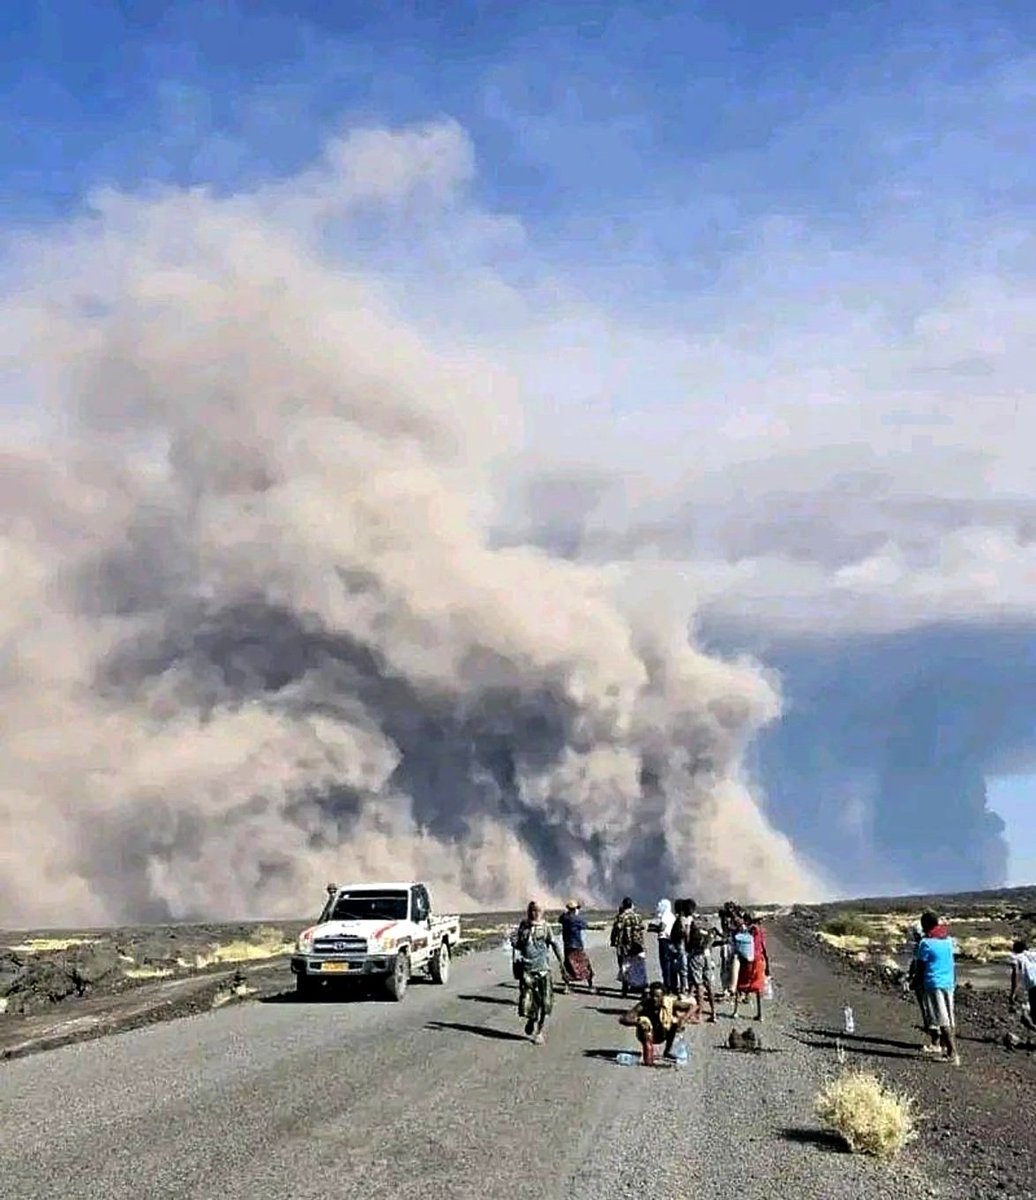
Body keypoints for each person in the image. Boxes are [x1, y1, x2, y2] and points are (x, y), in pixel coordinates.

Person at [511, 901, 564, 1044]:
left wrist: (561, 963)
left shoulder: (546, 927)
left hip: (543, 970)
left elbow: (554, 944)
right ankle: (531, 1019)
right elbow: (519, 945)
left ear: (542, 912)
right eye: (532, 910)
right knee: (527, 1002)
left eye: (537, 910)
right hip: (527, 970)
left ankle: (539, 1032)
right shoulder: (524, 926)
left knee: (545, 1003)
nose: (534, 913)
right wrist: (514, 942)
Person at [915, 910, 960, 1066]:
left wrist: (914, 983)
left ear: (926, 925)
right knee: (949, 1017)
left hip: (934, 983)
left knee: (942, 1019)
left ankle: (952, 1054)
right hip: (949, 983)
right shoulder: (948, 940)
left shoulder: (925, 943)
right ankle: (944, 1048)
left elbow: (920, 967)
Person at [619, 981, 693, 1066]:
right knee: (645, 1025)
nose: (654, 999)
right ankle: (648, 1057)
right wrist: (638, 1022)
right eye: (652, 996)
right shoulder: (644, 1004)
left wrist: (683, 1019)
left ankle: (667, 1051)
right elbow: (623, 1018)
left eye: (657, 996)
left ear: (663, 996)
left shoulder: (669, 1003)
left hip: (663, 1032)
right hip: (648, 1034)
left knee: (674, 1024)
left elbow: (692, 1007)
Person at [731, 913, 770, 1021]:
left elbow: (740, 945)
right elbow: (764, 948)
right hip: (759, 961)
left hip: (747, 961)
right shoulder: (761, 931)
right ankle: (760, 1014)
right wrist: (767, 966)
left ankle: (736, 1011)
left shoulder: (748, 931)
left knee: (740, 984)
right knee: (758, 987)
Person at [684, 900, 718, 1022]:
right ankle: (714, 1014)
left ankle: (699, 1014)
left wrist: (688, 949)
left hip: (696, 955)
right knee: (709, 984)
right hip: (707, 954)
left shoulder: (689, 920)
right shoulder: (703, 919)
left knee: (698, 985)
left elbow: (687, 937)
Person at [610, 897, 647, 996]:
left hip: (624, 946)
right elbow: (642, 928)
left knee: (625, 966)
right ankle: (641, 987)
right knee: (638, 966)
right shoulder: (638, 916)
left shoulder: (621, 917)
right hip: (638, 945)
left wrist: (613, 942)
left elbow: (616, 930)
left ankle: (625, 988)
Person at [559, 899, 595, 992]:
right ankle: (590, 986)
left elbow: (560, 919)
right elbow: (585, 925)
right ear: (575, 909)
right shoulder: (577, 919)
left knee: (568, 965)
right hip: (577, 945)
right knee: (585, 965)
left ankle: (566, 987)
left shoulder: (564, 918)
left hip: (567, 945)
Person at [904, 921, 929, 1032]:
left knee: (925, 1005)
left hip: (923, 979)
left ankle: (929, 1027)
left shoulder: (921, 946)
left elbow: (916, 964)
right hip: (930, 978)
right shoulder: (930, 943)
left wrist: (911, 979)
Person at [648, 898, 676, 993]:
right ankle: (672, 985)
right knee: (671, 964)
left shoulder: (665, 915)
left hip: (664, 941)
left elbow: (662, 927)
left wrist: (653, 928)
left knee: (665, 964)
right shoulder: (672, 916)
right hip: (671, 941)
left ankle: (667, 986)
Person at [1009, 938, 1036, 1031]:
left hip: (1033, 985)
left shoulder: (1016, 957)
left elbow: (1015, 974)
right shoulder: (1032, 954)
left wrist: (1013, 992)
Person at [669, 899, 690, 999]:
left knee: (682, 968)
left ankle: (683, 989)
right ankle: (683, 988)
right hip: (681, 946)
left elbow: (684, 932)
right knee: (682, 968)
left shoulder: (681, 919)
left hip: (680, 946)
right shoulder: (683, 919)